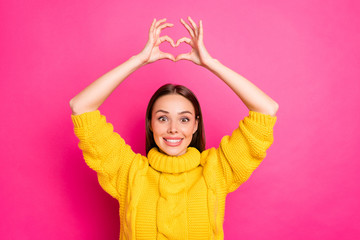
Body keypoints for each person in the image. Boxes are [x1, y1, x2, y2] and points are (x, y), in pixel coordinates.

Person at [70, 17, 279, 240]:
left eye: (184, 119)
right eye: (162, 119)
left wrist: (211, 63)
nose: (173, 129)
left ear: (196, 125)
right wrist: (138, 60)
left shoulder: (217, 171)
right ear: (150, 123)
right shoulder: (129, 172)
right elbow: (80, 106)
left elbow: (267, 109)